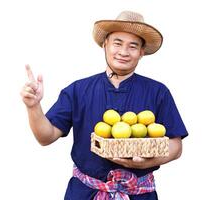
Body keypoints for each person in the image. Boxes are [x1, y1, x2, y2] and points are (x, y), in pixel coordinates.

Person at [20, 11, 188, 200]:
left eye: (133, 46)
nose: (124, 52)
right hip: (84, 193)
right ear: (105, 44)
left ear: (141, 52)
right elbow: (46, 136)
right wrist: (33, 106)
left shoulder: (158, 92)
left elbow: (176, 145)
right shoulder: (78, 90)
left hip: (140, 194)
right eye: (117, 43)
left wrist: (147, 162)